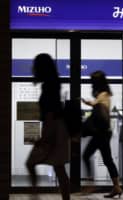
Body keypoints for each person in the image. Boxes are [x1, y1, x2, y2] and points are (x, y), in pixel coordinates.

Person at [26, 53, 70, 200]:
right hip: (57, 128)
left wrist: (45, 137)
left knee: (31, 163)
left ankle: (34, 195)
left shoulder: (49, 85)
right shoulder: (53, 83)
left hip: (53, 128)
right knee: (59, 168)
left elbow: (50, 112)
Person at [81, 70, 123, 198]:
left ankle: (91, 184)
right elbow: (98, 105)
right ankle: (116, 187)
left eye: (93, 82)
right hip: (103, 133)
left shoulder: (103, 94)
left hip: (101, 133)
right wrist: (89, 103)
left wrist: (90, 103)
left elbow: (100, 108)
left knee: (87, 155)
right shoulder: (103, 94)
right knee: (107, 160)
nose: (91, 84)